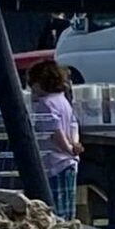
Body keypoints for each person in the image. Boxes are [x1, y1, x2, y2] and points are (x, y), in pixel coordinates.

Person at [27, 59, 82, 219]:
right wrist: (74, 145)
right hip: (70, 162)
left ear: (40, 83)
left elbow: (55, 131)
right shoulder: (63, 100)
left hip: (54, 161)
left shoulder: (45, 104)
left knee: (54, 209)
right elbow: (73, 125)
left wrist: (67, 148)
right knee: (68, 206)